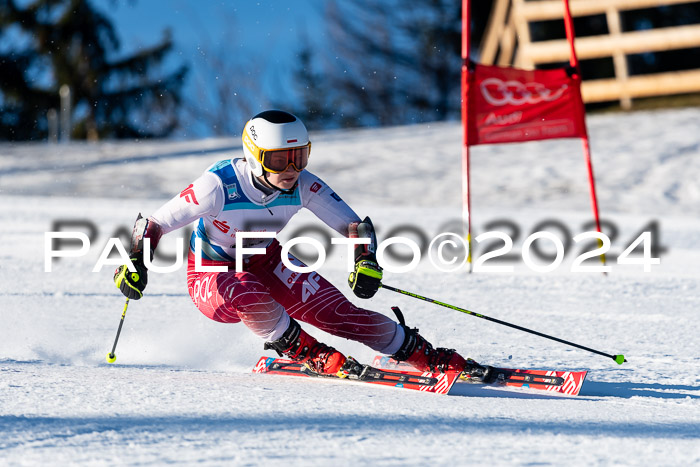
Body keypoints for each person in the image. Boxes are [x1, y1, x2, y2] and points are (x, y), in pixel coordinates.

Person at [113, 110, 488, 378]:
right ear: (255, 157)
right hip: (212, 276)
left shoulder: (304, 185)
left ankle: (423, 354)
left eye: (299, 156)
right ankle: (301, 348)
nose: (291, 168)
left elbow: (355, 227)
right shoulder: (218, 185)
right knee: (241, 286)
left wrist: (365, 262)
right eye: (279, 159)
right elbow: (155, 223)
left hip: (267, 261)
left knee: (339, 314)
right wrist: (134, 263)